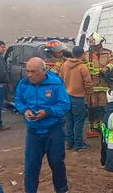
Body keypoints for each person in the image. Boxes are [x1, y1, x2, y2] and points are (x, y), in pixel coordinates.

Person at [14, 57, 70, 193]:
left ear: (44, 70)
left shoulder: (56, 84)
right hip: (33, 133)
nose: (29, 75)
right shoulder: (23, 83)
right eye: (27, 71)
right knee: (31, 166)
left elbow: (64, 104)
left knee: (57, 164)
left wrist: (48, 112)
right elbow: (18, 100)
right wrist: (25, 110)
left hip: (54, 131)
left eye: (33, 72)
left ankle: (62, 190)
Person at [84, 33, 113, 138]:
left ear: (100, 43)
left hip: (104, 86)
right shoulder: (86, 54)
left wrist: (107, 67)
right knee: (92, 108)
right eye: (91, 44)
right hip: (91, 87)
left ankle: (103, 127)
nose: (92, 46)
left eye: (94, 44)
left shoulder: (108, 53)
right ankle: (92, 128)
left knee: (103, 107)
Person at [59, 46, 93, 152]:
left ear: (72, 54)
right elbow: (88, 83)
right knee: (79, 121)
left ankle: (69, 143)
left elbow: (60, 79)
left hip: (66, 97)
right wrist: (90, 95)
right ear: (83, 54)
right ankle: (79, 144)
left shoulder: (64, 65)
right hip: (78, 98)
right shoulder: (82, 67)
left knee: (69, 120)